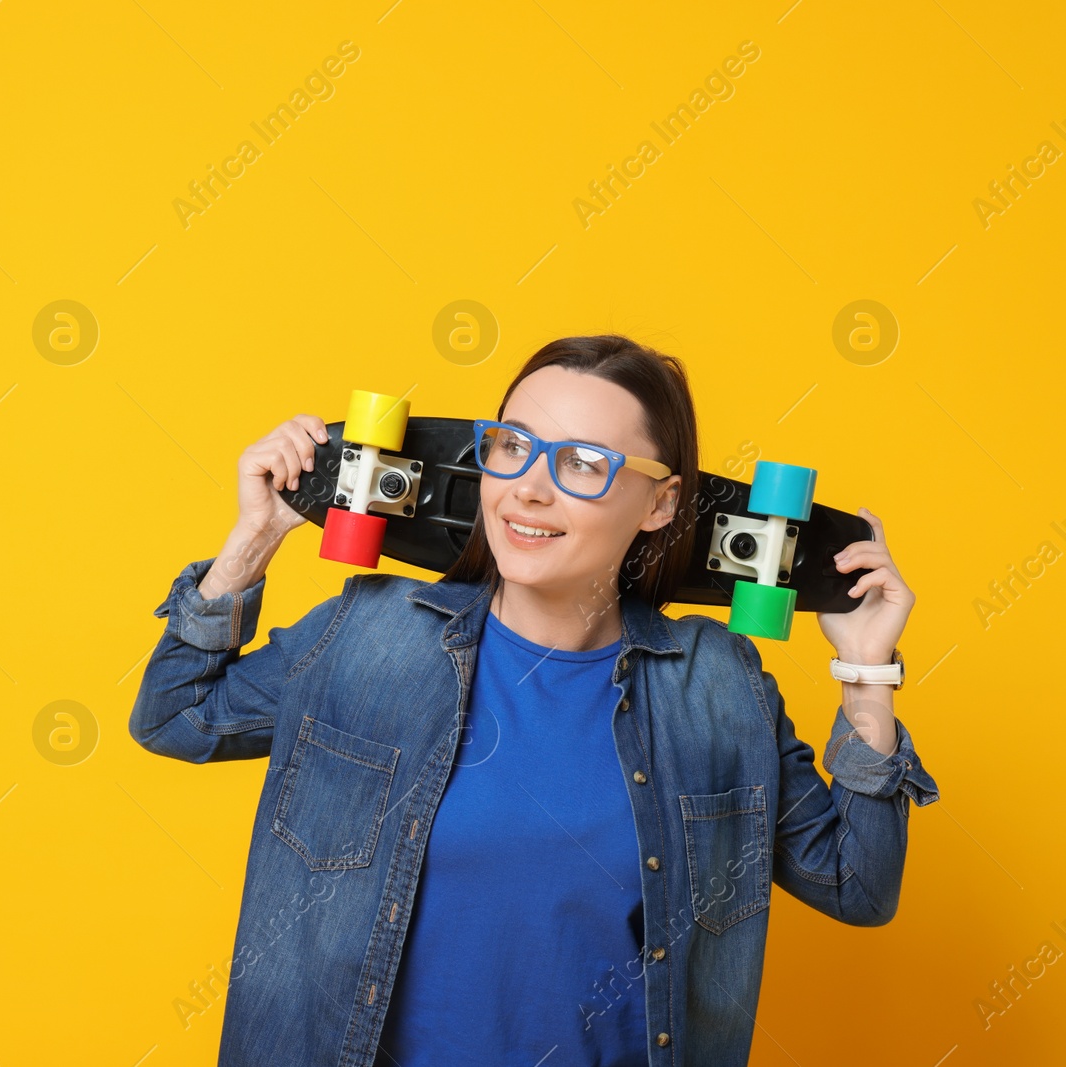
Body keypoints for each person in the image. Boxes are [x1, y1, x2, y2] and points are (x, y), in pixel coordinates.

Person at [129, 335, 939, 1067]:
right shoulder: (370, 635)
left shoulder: (715, 685)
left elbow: (858, 887)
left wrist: (869, 674)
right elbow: (172, 715)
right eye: (512, 447)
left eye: (583, 462)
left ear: (661, 502)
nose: (529, 489)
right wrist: (256, 536)